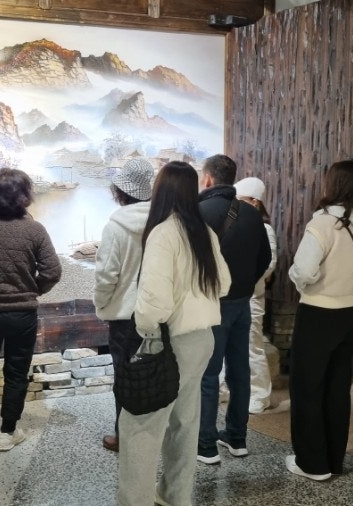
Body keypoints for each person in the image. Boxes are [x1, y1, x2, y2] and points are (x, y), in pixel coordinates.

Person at [118, 161, 231, 506]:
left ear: (160, 190)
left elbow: (154, 302)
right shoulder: (204, 231)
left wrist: (144, 331)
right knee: (185, 421)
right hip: (202, 339)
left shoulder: (164, 233)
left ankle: (134, 501)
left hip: (169, 341)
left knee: (140, 426)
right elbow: (224, 284)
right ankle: (175, 495)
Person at [286, 161, 353, 481]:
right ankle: (333, 460)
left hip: (318, 313)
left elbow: (303, 270)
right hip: (350, 314)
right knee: (338, 388)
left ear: (333, 185)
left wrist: (303, 282)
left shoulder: (323, 224)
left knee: (307, 388)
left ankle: (313, 464)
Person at [0, 167, 61, 451]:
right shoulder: (35, 230)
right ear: (25, 195)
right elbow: (52, 271)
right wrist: (33, 289)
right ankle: (8, 432)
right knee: (17, 371)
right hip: (22, 315)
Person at [196, 155, 271, 464]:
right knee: (240, 371)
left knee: (208, 374)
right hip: (242, 303)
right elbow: (265, 259)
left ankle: (206, 445)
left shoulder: (199, 212)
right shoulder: (252, 214)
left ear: (208, 178)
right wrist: (244, 285)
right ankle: (237, 438)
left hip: (212, 304)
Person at [94, 158, 154, 452]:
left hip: (124, 316)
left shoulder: (116, 227)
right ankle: (151, 434)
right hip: (157, 312)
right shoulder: (163, 223)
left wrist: (101, 304)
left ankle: (124, 436)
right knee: (154, 374)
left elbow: (106, 275)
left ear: (120, 191)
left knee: (125, 376)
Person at [232, 176, 278, 414]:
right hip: (232, 295)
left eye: (240, 200)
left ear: (254, 202)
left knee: (252, 346)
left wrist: (244, 278)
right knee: (228, 345)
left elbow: (269, 264)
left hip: (252, 297)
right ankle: (226, 388)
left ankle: (260, 395)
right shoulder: (233, 223)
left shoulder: (265, 229)